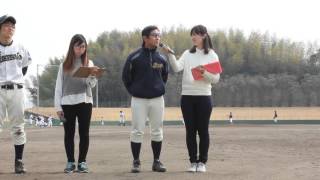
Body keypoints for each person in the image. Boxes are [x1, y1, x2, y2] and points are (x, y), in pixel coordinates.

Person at [161, 25, 220, 172]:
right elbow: (176, 68)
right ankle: (193, 162)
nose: (193, 37)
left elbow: (216, 79)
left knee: (203, 131)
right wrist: (170, 54)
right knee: (190, 131)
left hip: (204, 97)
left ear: (204, 36)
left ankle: (202, 163)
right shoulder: (188, 53)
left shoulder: (211, 54)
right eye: (192, 35)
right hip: (187, 97)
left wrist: (204, 72)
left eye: (197, 35)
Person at [122, 25, 168, 173]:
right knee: (137, 131)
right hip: (138, 100)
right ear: (145, 38)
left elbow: (164, 77)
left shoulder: (161, 58)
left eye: (159, 35)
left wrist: (158, 89)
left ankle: (156, 162)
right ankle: (136, 162)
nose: (157, 38)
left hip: (157, 99)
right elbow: (126, 77)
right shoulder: (133, 57)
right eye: (154, 35)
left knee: (157, 131)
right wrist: (134, 91)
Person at [54, 34, 98, 173]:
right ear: (72, 47)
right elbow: (58, 87)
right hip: (67, 103)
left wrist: (93, 75)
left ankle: (82, 162)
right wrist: (58, 107)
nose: (81, 49)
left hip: (85, 102)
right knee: (69, 134)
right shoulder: (64, 65)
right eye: (78, 46)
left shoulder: (89, 63)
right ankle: (70, 162)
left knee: (84, 133)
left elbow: (90, 85)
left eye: (83, 46)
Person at [0, 15, 32, 174]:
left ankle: (18, 161)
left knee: (18, 127)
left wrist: (15, 80)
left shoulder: (21, 47)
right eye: (6, 25)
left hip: (16, 90)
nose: (10, 28)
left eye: (12, 26)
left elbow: (24, 68)